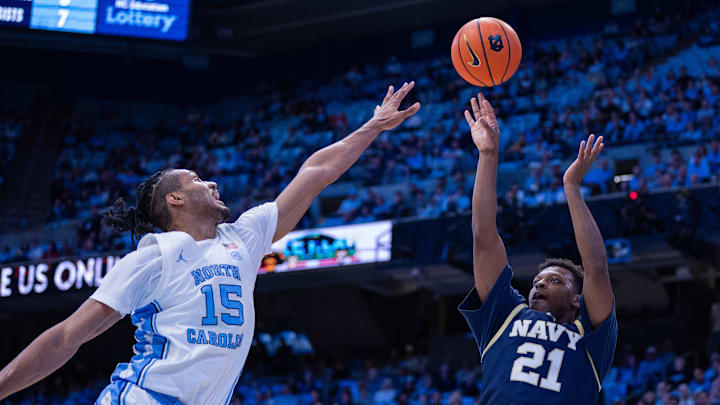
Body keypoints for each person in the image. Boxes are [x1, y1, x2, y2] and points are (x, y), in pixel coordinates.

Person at [0, 82, 421, 404]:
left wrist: (373, 126)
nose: (212, 181)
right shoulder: (154, 257)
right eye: (196, 180)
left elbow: (316, 172)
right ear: (175, 199)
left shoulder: (245, 236)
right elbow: (67, 336)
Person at [458, 93, 618, 403]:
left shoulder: (591, 338)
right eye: (537, 281)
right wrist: (488, 154)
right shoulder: (505, 316)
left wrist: (571, 186)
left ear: (576, 299)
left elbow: (596, 266)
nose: (540, 282)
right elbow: (484, 236)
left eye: (555, 280)